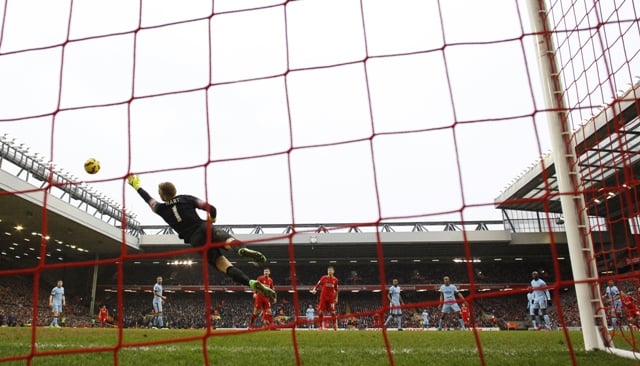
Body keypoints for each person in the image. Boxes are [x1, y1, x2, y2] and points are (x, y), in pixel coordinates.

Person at [127, 175, 276, 301]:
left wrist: (136, 186)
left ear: (162, 195)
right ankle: (241, 249)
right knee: (229, 241)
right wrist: (213, 219)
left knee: (224, 266)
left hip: (195, 240)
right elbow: (212, 208)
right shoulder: (186, 198)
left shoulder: (160, 209)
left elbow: (148, 199)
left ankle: (250, 282)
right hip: (204, 227)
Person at [310, 266, 339, 330]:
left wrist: (336, 298)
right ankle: (320, 326)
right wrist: (314, 289)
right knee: (320, 312)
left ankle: (334, 325)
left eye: (331, 270)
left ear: (333, 272)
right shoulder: (324, 278)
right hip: (323, 298)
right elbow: (318, 284)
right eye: (329, 270)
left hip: (331, 299)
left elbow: (336, 290)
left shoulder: (335, 280)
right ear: (327, 271)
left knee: (333, 312)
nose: (330, 272)